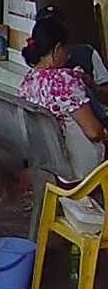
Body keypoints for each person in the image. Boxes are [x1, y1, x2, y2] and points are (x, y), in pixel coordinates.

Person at [19, 15, 107, 178]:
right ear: (58, 48)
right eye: (67, 50)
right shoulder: (64, 80)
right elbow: (94, 132)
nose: (68, 56)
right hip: (80, 169)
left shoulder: (28, 82)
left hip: (49, 169)